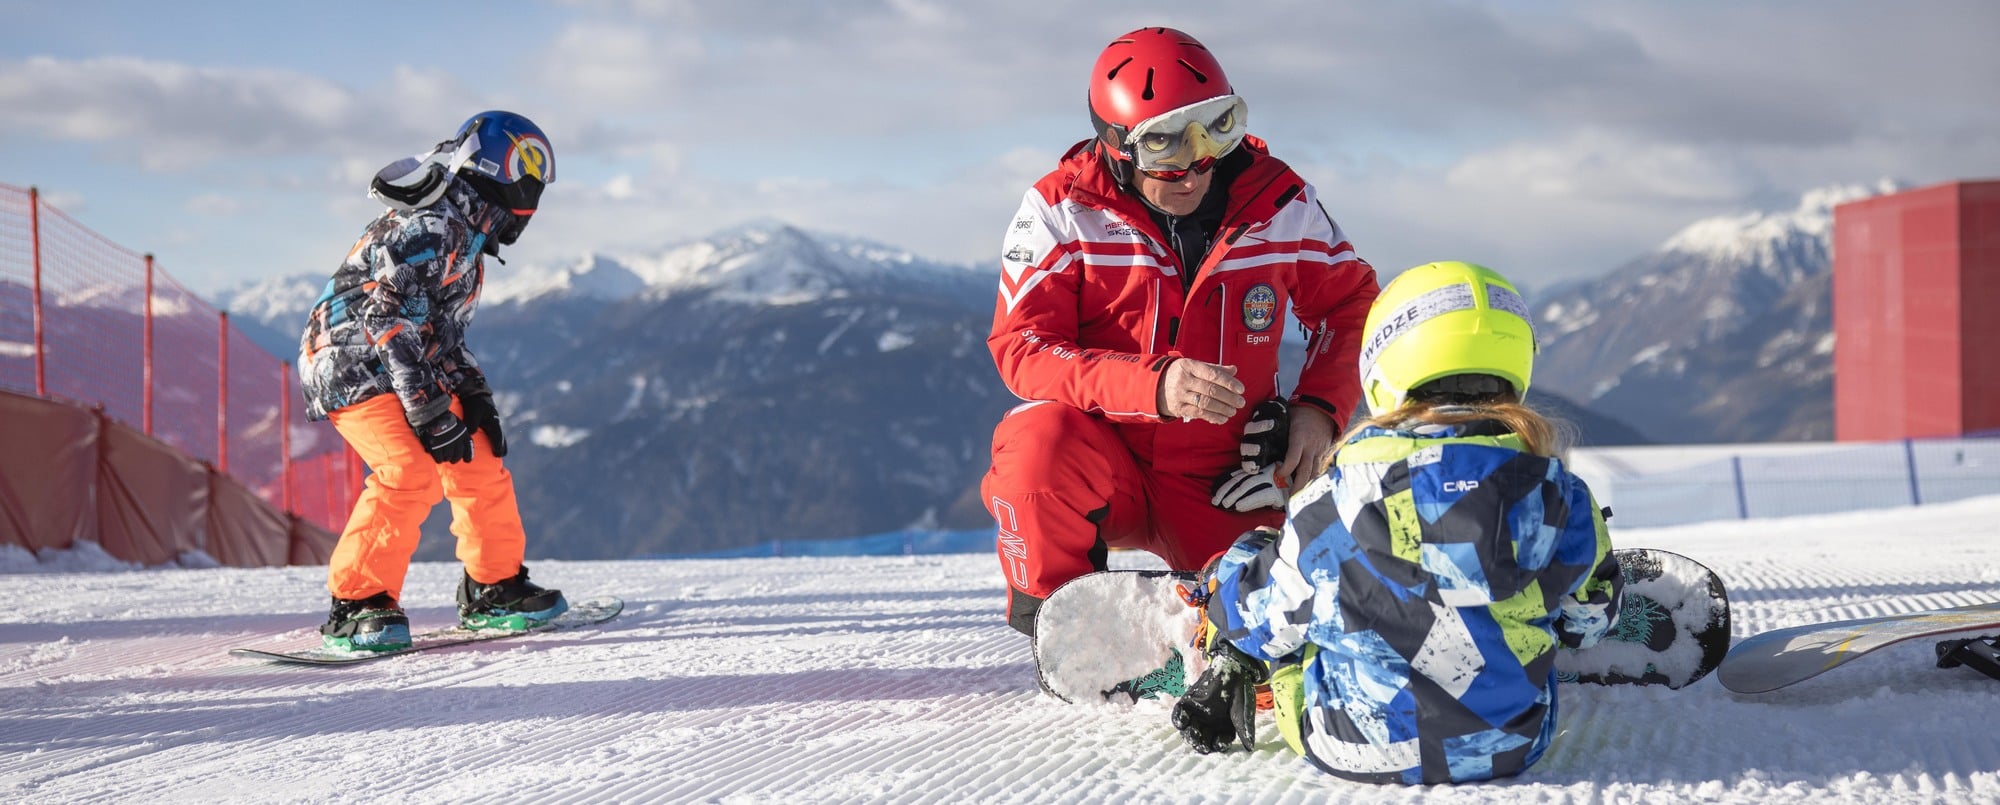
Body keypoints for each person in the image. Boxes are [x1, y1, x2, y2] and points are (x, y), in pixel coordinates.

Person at [982, 26, 1380, 636]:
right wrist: (1152, 387)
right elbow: (1022, 349)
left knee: (1278, 621)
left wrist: (1319, 412)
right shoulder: (1061, 211)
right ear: (1117, 147)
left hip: (1223, 475)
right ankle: (1064, 628)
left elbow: (1352, 305)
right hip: (1105, 456)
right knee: (1036, 443)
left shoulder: (1279, 203)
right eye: (1165, 152)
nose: (1193, 171)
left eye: (1213, 135)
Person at [1166, 261, 1623, 784]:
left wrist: (1229, 587)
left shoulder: (1335, 500)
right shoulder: (1560, 497)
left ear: (1384, 365)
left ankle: (1224, 655)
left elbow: (1261, 623)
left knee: (1263, 560)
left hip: (1349, 746)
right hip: (1510, 749)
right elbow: (1590, 625)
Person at [298, 111, 568, 651]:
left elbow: (440, 334)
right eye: (528, 163)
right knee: (410, 471)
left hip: (402, 366)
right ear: (493, 165)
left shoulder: (467, 239)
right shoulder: (433, 226)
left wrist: (473, 395)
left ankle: (494, 587)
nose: (535, 183)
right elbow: (385, 320)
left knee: (479, 457)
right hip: (349, 366)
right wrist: (427, 410)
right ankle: (356, 602)